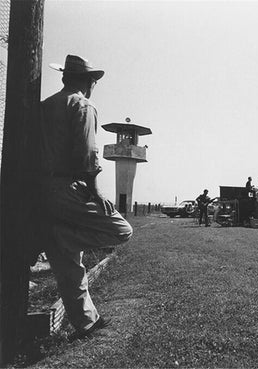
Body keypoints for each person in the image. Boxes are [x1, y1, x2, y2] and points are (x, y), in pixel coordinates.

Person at [39, 55, 133, 341]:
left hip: (41, 189)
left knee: (69, 264)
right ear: (87, 81)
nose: (94, 85)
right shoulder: (83, 104)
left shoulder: (44, 106)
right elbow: (87, 154)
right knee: (121, 230)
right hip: (70, 187)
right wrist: (95, 191)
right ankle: (65, 237)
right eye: (93, 80)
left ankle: (87, 323)